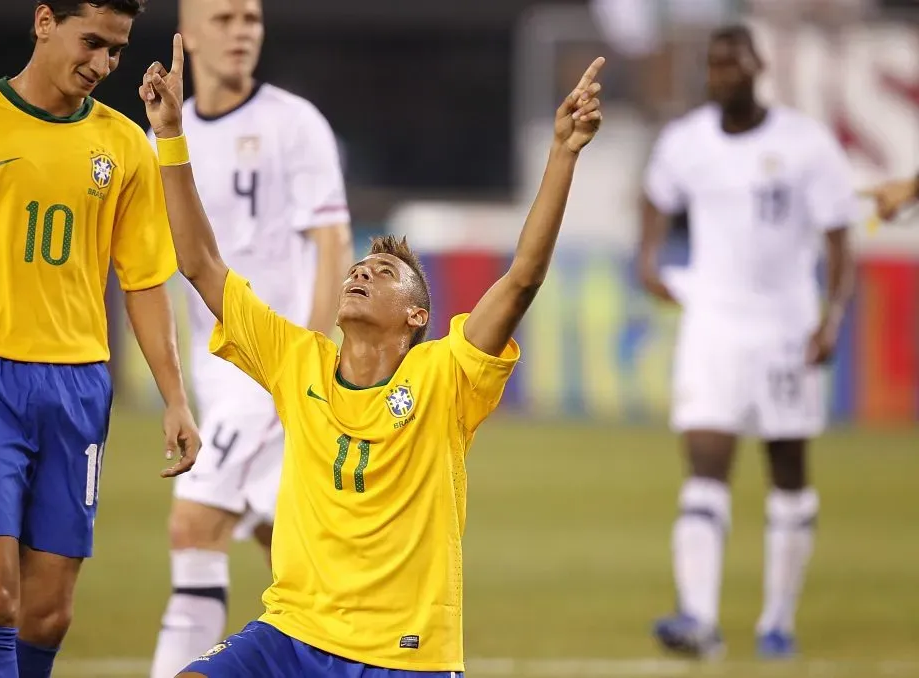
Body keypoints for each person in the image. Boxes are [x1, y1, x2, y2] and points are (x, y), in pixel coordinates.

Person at [140, 33, 603, 678]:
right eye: (359, 264)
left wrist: (562, 152)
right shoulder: (294, 359)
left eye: (383, 271)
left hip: (403, 657)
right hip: (292, 635)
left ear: (418, 314)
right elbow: (198, 263)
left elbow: (522, 277)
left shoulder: (446, 377)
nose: (360, 272)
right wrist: (170, 134)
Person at [0, 2, 202, 677]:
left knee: (48, 615)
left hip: (77, 386)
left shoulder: (122, 145)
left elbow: (145, 280)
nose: (102, 65)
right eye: (91, 42)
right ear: (43, 21)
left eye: (117, 51)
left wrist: (176, 399)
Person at [639, 25, 856, 660]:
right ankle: (699, 620)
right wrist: (649, 258)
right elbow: (655, 196)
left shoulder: (805, 145)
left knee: (787, 470)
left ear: (758, 66)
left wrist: (832, 316)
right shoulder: (686, 142)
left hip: (786, 326)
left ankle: (778, 621)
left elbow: (841, 236)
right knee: (705, 463)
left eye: (732, 63)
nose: (721, 74)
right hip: (712, 322)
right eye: (713, 65)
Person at [148, 0, 352, 675]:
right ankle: (358, 655)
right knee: (289, 551)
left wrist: (310, 361)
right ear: (190, 33)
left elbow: (332, 243)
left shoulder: (294, 124)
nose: (242, 33)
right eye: (226, 19)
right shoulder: (167, 137)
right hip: (218, 371)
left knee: (194, 526)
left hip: (271, 370)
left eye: (252, 20)